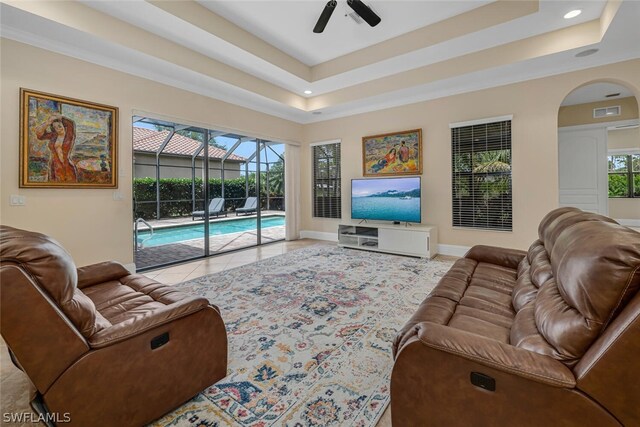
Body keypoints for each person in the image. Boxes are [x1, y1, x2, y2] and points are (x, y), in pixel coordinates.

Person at [35, 113, 77, 182]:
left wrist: (58, 117)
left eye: (59, 126)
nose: (58, 129)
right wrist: (48, 122)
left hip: (67, 165)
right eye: (55, 128)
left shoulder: (69, 135)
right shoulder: (54, 135)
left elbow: (71, 123)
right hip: (54, 166)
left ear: (64, 126)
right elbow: (39, 135)